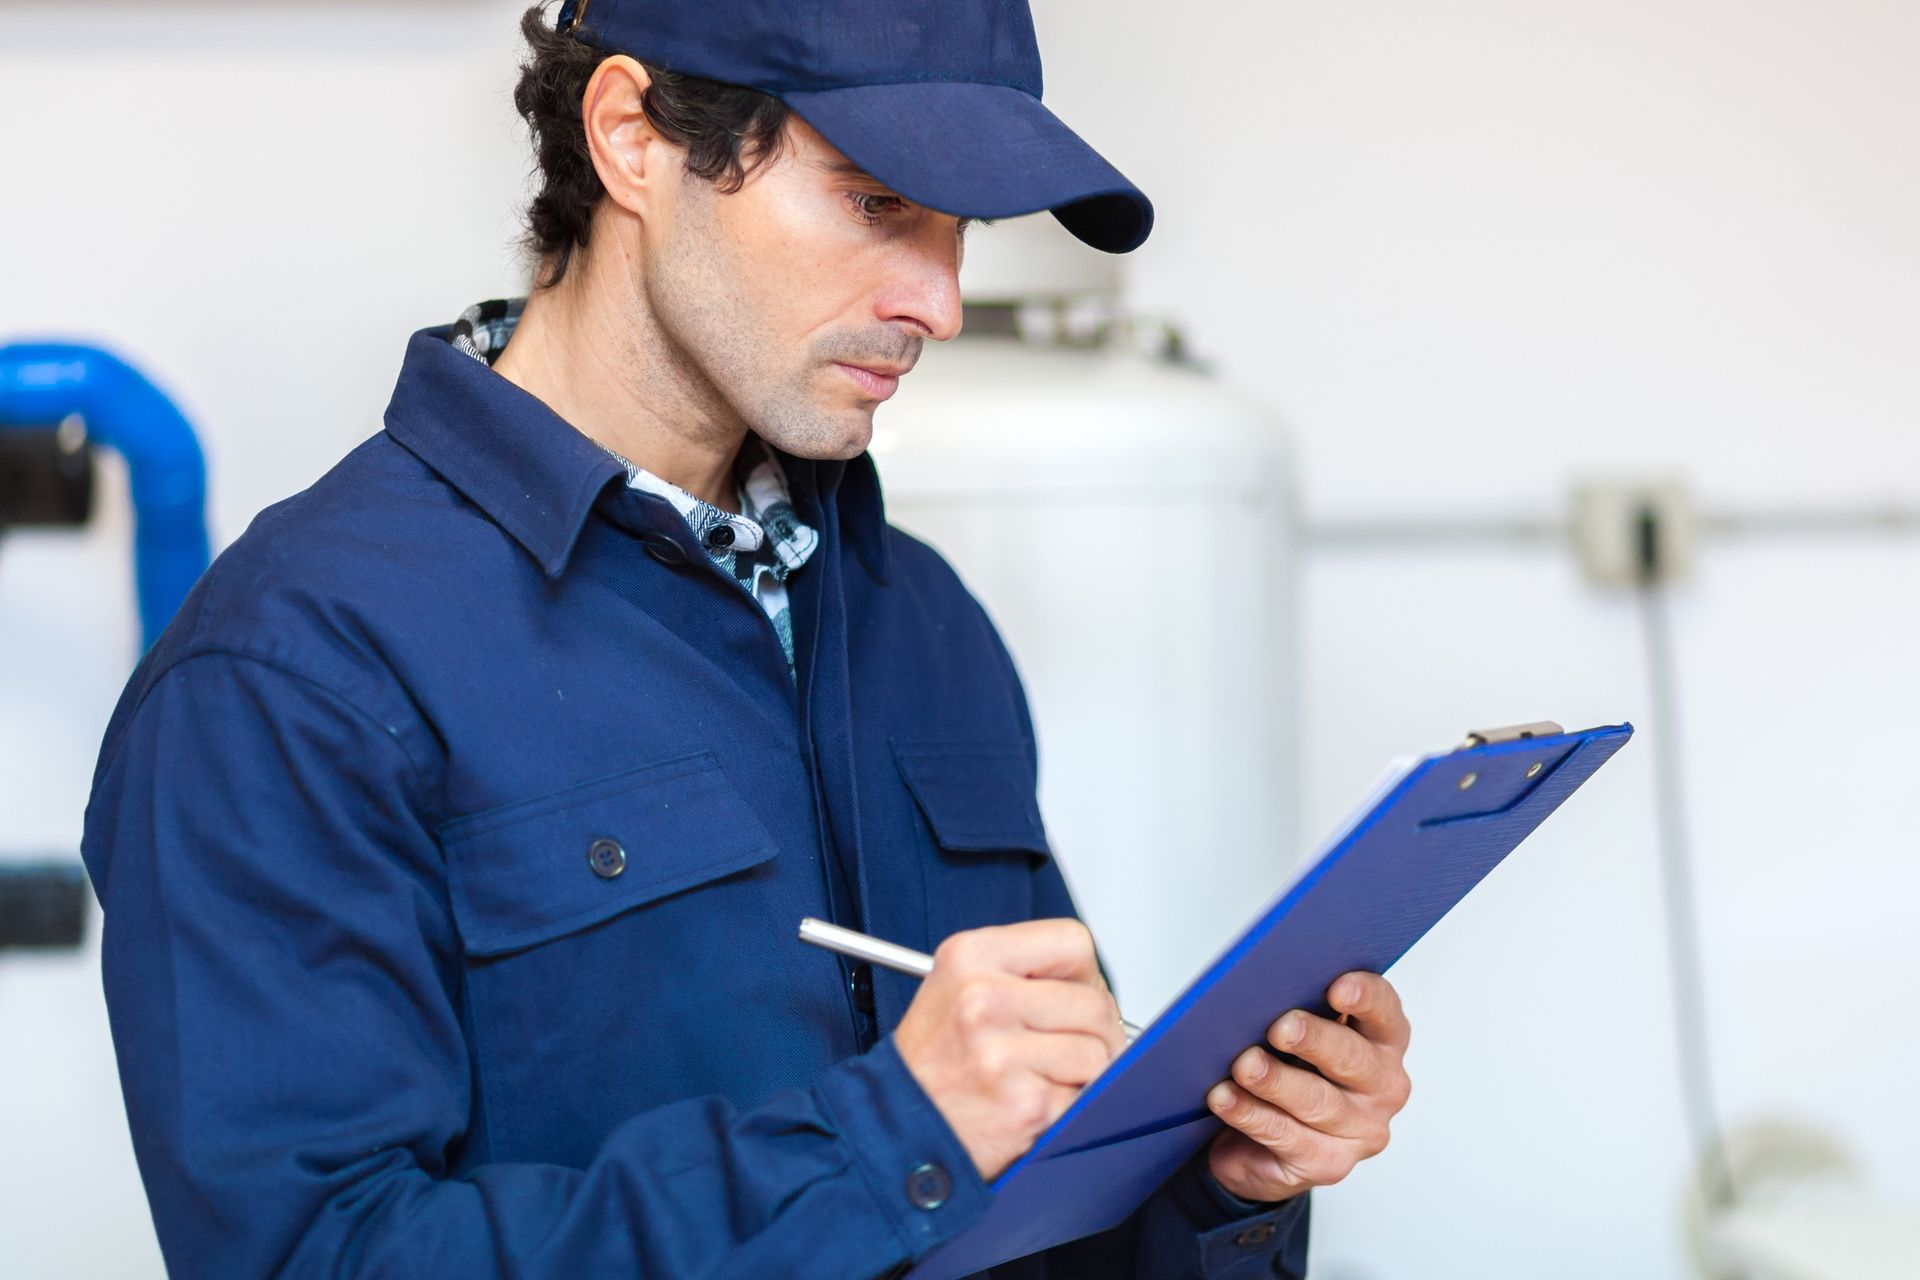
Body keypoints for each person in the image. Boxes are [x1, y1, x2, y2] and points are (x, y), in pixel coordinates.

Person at [79, 2, 1413, 1276]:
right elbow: (318, 1258)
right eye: (876, 202)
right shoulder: (293, 673)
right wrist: (887, 1142)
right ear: (633, 138)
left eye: (961, 229)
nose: (938, 303)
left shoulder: (921, 617)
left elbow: (1036, 1199)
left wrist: (1219, 1176)